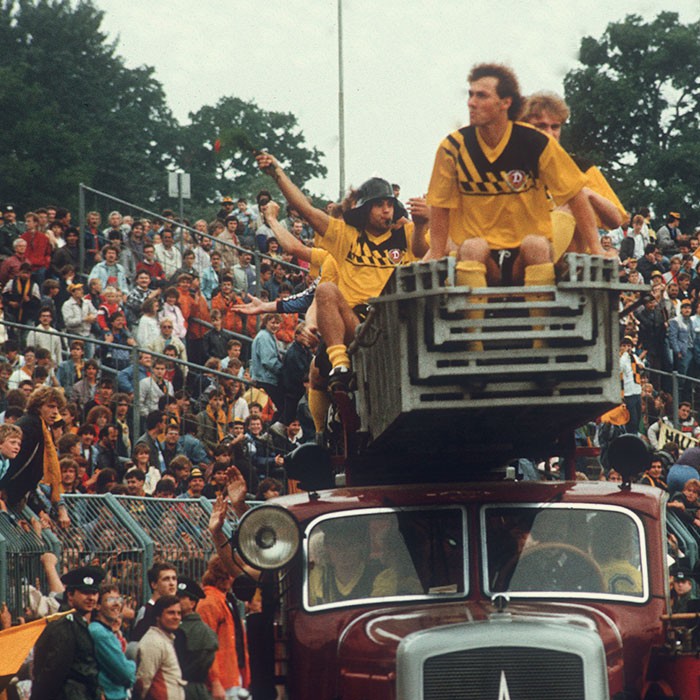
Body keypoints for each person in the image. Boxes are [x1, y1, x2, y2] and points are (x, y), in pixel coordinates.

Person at [425, 63, 605, 301]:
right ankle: (474, 339)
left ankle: (541, 338)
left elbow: (575, 194)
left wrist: (597, 247)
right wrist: (436, 253)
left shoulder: (535, 142)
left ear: (505, 103)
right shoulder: (452, 147)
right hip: (483, 258)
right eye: (470, 95)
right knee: (472, 247)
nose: (471, 102)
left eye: (482, 96)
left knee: (536, 245)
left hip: (525, 257)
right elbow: (439, 206)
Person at [256, 153, 422, 391]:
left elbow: (432, 249)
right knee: (317, 372)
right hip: (353, 324)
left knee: (317, 371)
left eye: (389, 205)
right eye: (379, 205)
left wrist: (424, 221)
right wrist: (277, 174)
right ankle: (339, 369)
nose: (386, 211)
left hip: (395, 323)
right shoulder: (345, 237)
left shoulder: (407, 235)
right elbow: (308, 212)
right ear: (365, 209)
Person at [30, 565, 106, 700]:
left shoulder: (82, 623)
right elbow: (53, 673)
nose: (91, 598)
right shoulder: (64, 625)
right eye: (85, 593)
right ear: (70, 595)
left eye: (94, 593)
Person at [0, 385, 66, 506]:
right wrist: (2, 487)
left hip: (17, 495)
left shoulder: (43, 428)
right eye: (51, 406)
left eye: (57, 407)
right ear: (38, 407)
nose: (55, 412)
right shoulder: (30, 425)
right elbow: (14, 461)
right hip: (6, 493)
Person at [89, 584, 136, 700]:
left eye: (119, 599)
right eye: (110, 600)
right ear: (98, 606)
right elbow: (126, 673)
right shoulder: (100, 633)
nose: (117, 604)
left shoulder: (106, 632)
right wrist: (134, 665)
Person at [174, 577, 219, 700]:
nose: (176, 601)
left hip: (184, 688)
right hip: (200, 690)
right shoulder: (207, 631)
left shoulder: (181, 630)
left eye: (181, 598)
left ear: (192, 603)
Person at [134, 595, 186, 700]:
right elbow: (143, 681)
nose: (176, 617)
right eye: (171, 613)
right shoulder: (153, 642)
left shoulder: (165, 639)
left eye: (179, 613)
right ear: (158, 616)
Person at [131, 562, 178, 643]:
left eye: (174, 578)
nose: (172, 583)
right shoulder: (146, 611)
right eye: (166, 579)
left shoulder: (177, 609)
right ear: (154, 585)